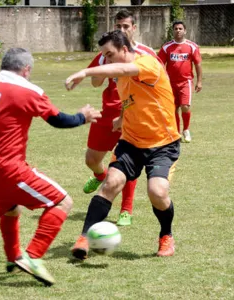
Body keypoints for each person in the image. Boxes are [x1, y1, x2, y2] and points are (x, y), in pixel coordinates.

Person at [0, 48, 101, 286]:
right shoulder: (30, 90)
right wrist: (81, 117)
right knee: (62, 201)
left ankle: (14, 257)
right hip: (9, 171)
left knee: (12, 208)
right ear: (26, 70)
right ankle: (33, 257)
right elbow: (58, 120)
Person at [65, 30, 180, 259]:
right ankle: (85, 238)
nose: (107, 61)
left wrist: (86, 71)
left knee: (157, 192)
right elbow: (134, 101)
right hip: (131, 142)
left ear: (125, 50)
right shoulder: (121, 79)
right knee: (111, 183)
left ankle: (166, 235)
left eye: (110, 55)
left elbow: (123, 69)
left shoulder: (148, 64)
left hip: (162, 144)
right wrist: (121, 118)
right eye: (104, 56)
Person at [83, 9, 161, 227]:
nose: (122, 30)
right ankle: (100, 176)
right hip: (106, 113)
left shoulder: (146, 53)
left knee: (123, 162)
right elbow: (95, 83)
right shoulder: (104, 54)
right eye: (118, 26)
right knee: (91, 160)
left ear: (134, 28)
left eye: (126, 26)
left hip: (132, 114)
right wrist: (106, 68)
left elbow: (157, 80)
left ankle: (126, 209)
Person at [157, 20, 203, 143]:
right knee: (173, 108)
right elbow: (159, 64)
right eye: (176, 29)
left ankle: (186, 129)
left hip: (185, 82)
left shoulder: (192, 46)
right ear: (173, 31)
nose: (178, 30)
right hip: (170, 83)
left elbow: (198, 64)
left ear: (185, 31)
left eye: (180, 28)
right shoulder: (167, 47)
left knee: (185, 106)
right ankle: (176, 133)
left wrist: (199, 81)